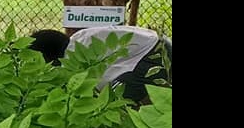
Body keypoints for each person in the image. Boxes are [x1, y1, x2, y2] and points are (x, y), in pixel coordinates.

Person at [28, 25, 171, 102]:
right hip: (158, 45)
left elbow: (94, 90)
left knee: (114, 102)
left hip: (156, 53)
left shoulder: (75, 57)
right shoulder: (79, 39)